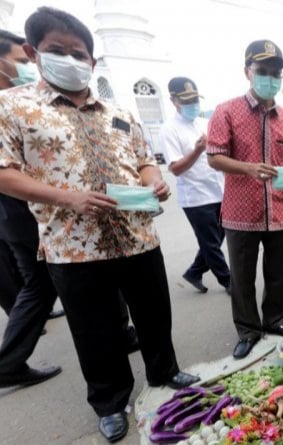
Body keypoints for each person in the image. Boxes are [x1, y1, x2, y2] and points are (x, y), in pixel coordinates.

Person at [0, 8, 199, 442]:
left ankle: (164, 372)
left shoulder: (119, 109)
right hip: (74, 244)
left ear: (92, 60)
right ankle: (110, 402)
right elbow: (3, 171)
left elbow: (144, 160)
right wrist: (68, 198)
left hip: (138, 236)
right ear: (34, 53)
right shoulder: (13, 107)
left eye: (79, 54)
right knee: (96, 330)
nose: (70, 60)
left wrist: (155, 181)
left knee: (153, 314)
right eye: (58, 51)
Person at [207, 39, 283, 359]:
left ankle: (275, 320)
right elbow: (215, 156)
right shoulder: (226, 111)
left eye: (275, 73)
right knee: (242, 277)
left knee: (278, 273)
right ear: (248, 72)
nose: (270, 78)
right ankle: (248, 330)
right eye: (263, 71)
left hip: (280, 209)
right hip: (241, 213)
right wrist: (248, 168)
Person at [0, 28, 62, 389]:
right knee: (39, 284)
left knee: (34, 283)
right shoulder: (9, 108)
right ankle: (9, 362)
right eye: (22, 61)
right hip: (22, 213)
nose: (29, 66)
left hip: (16, 215)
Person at [159, 76, 230, 295]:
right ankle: (229, 282)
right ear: (174, 101)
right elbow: (176, 168)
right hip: (196, 197)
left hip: (218, 191)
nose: (192, 105)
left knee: (216, 239)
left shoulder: (202, 122)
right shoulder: (169, 129)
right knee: (210, 243)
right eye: (186, 100)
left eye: (194, 100)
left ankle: (194, 272)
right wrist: (198, 150)